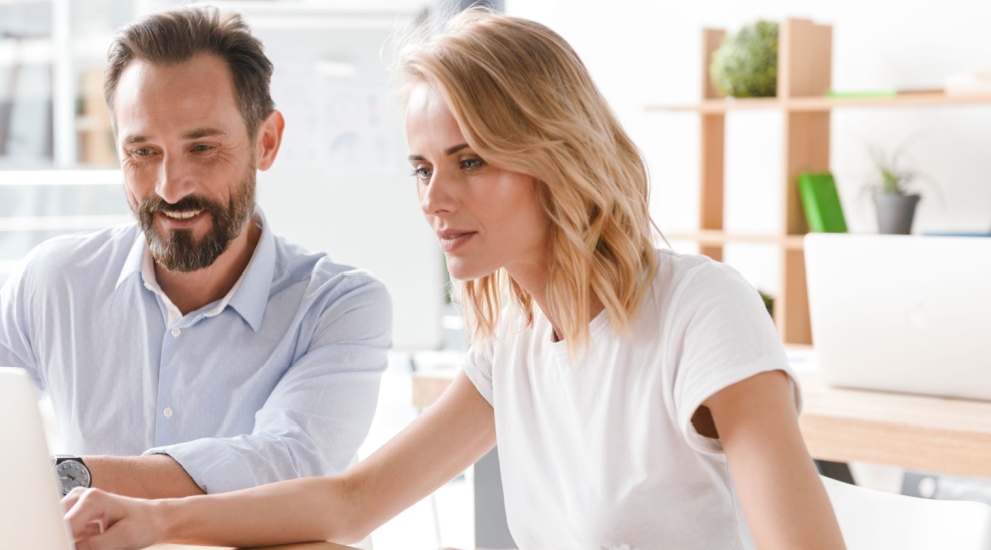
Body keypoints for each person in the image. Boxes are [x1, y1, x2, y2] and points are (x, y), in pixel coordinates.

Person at [60, 10, 846, 549]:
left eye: (470, 160)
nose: (434, 198)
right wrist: (155, 519)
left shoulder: (700, 310)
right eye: (422, 167)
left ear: (552, 152)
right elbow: (354, 500)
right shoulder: (515, 347)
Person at [0, 5, 392, 500]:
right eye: (143, 153)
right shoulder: (53, 281)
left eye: (203, 148)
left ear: (266, 142)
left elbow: (288, 466)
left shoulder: (338, 306)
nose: (169, 189)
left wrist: (66, 476)